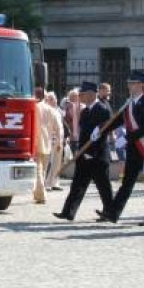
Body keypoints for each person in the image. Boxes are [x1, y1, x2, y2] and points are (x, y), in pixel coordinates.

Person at [100, 70, 144, 225]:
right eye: (129, 83)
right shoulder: (129, 104)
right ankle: (113, 213)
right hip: (133, 150)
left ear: (142, 85)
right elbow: (117, 121)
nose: (130, 86)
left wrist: (129, 137)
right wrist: (101, 130)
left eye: (133, 83)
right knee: (127, 183)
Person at [54, 81, 114, 222]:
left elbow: (104, 133)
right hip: (83, 154)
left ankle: (109, 212)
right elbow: (83, 134)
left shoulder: (103, 109)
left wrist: (91, 152)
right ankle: (68, 212)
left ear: (91, 94)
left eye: (82, 94)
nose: (80, 97)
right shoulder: (85, 111)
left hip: (98, 155)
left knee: (103, 186)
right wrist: (79, 151)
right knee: (77, 185)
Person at [42, 92, 65, 191]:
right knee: (49, 161)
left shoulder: (58, 110)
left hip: (59, 139)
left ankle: (54, 182)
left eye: (54, 98)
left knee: (58, 162)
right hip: (50, 138)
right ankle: (46, 183)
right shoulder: (46, 110)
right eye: (50, 98)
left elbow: (62, 125)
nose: (53, 100)